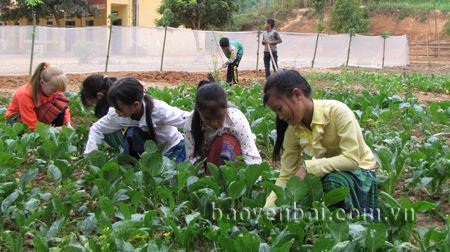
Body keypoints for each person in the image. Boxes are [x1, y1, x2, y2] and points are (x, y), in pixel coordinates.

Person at [263, 69, 380, 220]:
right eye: (276, 112)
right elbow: (286, 175)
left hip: (360, 171)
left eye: (279, 109)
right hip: (325, 173)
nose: (280, 116)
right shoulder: (293, 131)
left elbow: (352, 160)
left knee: (334, 182)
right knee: (296, 197)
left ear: (297, 95)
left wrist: (310, 168)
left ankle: (352, 224)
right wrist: (267, 211)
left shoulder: (338, 112)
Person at [84, 77, 189, 163]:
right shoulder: (117, 115)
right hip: (149, 153)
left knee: (173, 177)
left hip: (172, 148)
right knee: (132, 133)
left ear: (135, 105)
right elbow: (97, 129)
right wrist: (90, 156)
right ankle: (135, 165)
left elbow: (188, 120)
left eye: (119, 108)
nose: (116, 111)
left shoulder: (159, 111)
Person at [184, 82, 262, 173]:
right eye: (208, 118)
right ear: (198, 110)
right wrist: (201, 183)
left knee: (224, 141)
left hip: (235, 158)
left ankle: (229, 178)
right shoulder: (191, 124)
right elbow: (193, 160)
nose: (214, 123)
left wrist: (254, 183)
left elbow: (251, 156)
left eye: (219, 117)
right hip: (208, 161)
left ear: (226, 106)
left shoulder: (236, 120)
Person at [5, 62, 73, 132]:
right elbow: (29, 124)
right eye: (53, 89)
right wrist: (54, 130)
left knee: (59, 102)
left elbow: (63, 107)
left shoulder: (54, 90)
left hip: (37, 114)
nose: (55, 92)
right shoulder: (25, 94)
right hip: (18, 119)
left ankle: (55, 134)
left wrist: (68, 124)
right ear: (42, 82)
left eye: (57, 90)